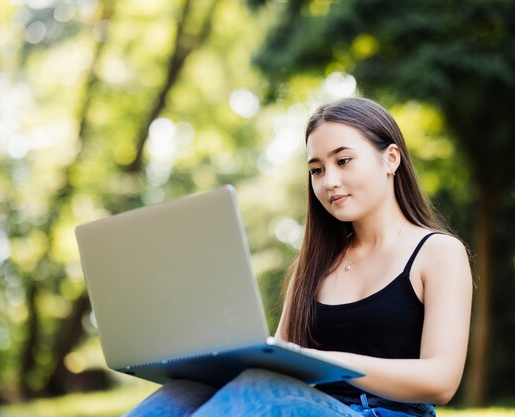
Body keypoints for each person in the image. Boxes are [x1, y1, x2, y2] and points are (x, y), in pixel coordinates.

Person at [124, 97, 473, 417]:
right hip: (308, 406)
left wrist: (330, 363)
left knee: (256, 391)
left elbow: (440, 381)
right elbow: (277, 363)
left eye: (343, 160)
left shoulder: (438, 252)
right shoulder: (314, 267)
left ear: (390, 158)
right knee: (183, 392)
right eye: (317, 170)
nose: (329, 181)